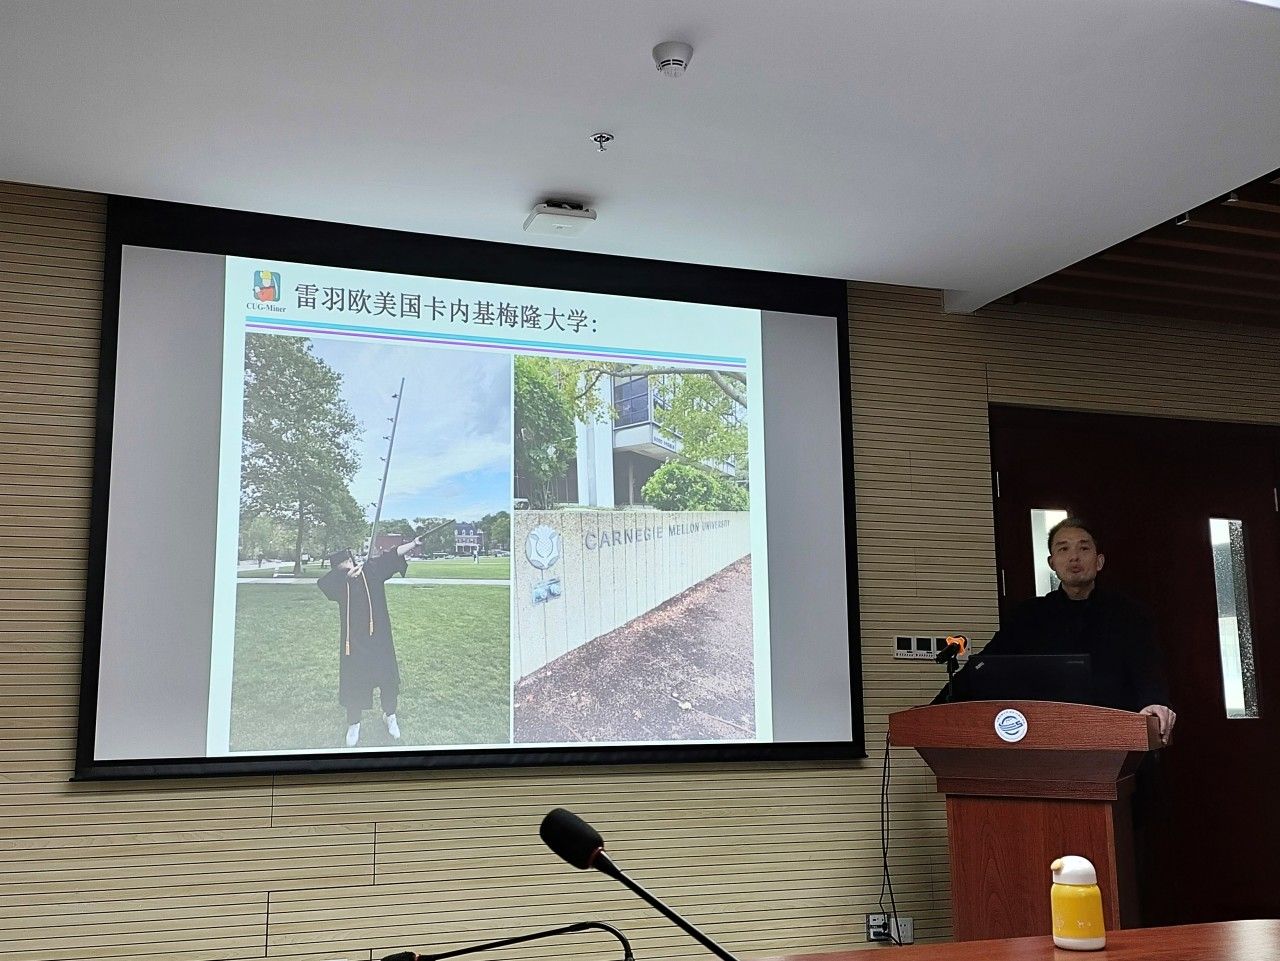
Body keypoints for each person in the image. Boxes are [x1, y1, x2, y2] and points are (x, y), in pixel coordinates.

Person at [938, 517, 1177, 745]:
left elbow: (1148, 669)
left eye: (1084, 548)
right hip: (1046, 737)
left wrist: (1154, 703)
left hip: (1113, 736)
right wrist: (939, 707)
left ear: (1099, 561)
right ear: (1052, 563)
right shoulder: (1028, 616)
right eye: (1063, 549)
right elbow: (985, 666)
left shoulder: (1129, 614)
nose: (1074, 557)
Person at [317, 534, 424, 747]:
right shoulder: (340, 584)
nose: (349, 565)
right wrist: (347, 577)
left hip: (379, 640)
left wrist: (413, 544)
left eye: (349, 561)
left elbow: (392, 555)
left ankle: (390, 715)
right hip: (354, 644)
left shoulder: (372, 570)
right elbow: (323, 584)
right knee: (355, 681)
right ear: (338, 569)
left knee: (387, 679)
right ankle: (354, 724)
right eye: (343, 565)